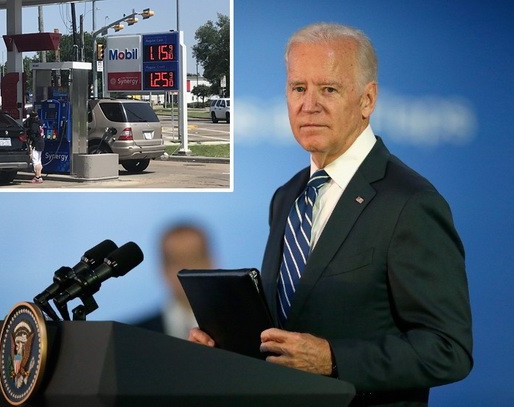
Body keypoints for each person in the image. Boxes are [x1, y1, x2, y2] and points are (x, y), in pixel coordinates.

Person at [189, 23, 473, 406]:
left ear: (367, 100)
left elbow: (449, 349)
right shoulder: (286, 196)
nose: (309, 105)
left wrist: (334, 359)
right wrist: (233, 347)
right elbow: (288, 332)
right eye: (298, 88)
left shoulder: (411, 202)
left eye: (329, 89)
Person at [133, 223, 214, 339]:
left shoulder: (240, 332)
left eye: (194, 259)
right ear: (163, 269)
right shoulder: (133, 336)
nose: (187, 269)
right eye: (176, 261)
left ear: (212, 263)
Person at [23, 110, 44, 184]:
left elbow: (32, 134)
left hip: (36, 143)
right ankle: (40, 176)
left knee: (35, 161)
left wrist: (31, 141)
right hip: (41, 142)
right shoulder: (40, 123)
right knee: (39, 160)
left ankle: (37, 177)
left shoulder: (33, 124)